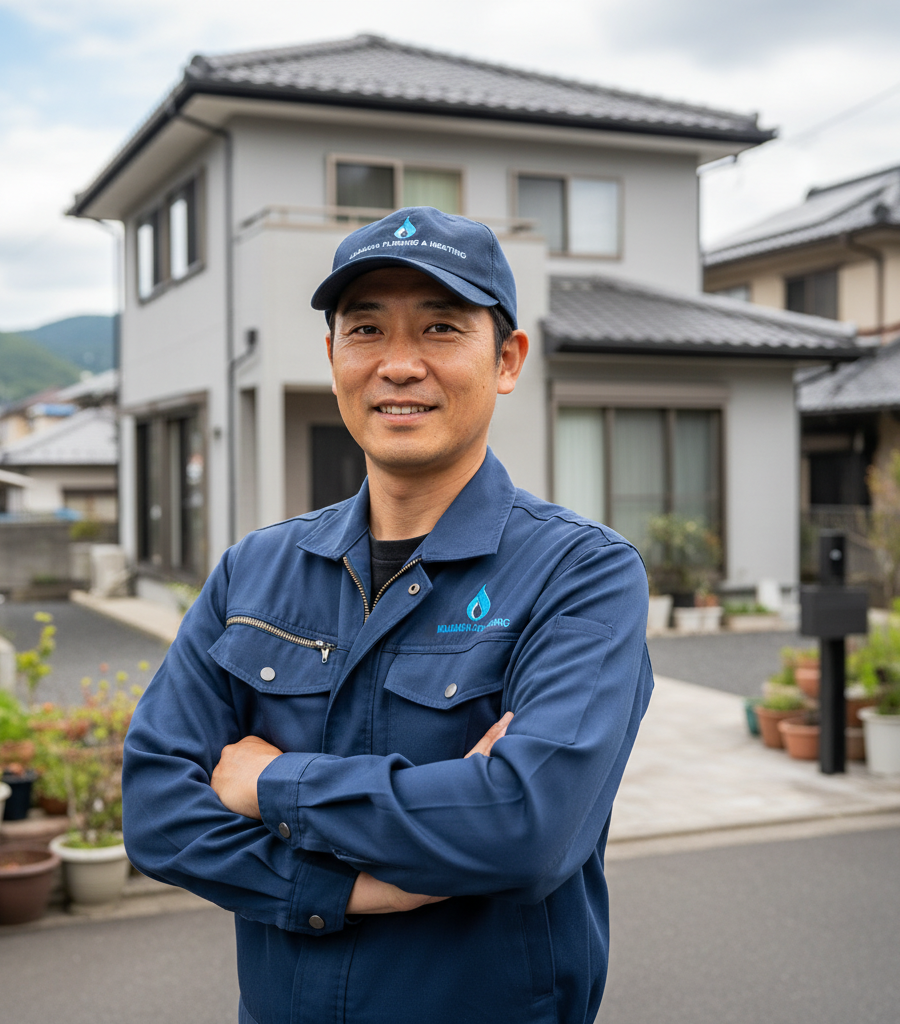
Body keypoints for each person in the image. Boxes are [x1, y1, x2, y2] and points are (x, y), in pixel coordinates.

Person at [122, 206, 653, 1024]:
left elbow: (526, 824)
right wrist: (356, 890)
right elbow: (157, 808)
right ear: (333, 356)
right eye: (365, 329)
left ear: (507, 360)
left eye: (441, 327)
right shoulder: (255, 571)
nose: (399, 365)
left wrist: (270, 781)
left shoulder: (579, 573)